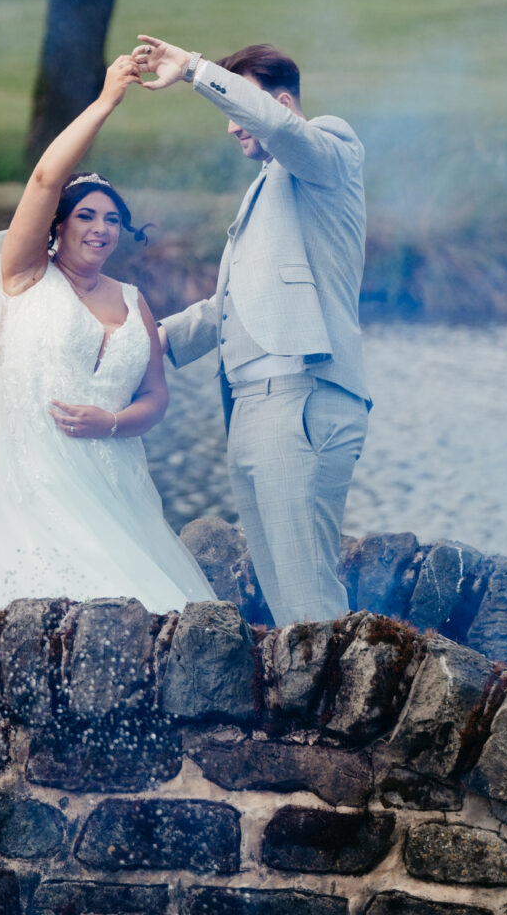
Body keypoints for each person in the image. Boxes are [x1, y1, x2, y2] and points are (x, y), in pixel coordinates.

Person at [0, 54, 214, 612]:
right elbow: (46, 178)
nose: (100, 229)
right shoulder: (26, 276)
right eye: (87, 216)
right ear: (57, 226)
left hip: (113, 474)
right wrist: (106, 101)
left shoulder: (134, 303)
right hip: (24, 469)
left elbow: (155, 398)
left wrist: (111, 422)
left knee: (150, 608)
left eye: (112, 219)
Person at [135, 36, 370, 626]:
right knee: (286, 606)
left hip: (301, 396)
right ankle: (316, 714)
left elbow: (279, 131)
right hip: (249, 408)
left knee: (309, 601)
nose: (233, 127)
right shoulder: (265, 187)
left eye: (242, 109)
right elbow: (228, 306)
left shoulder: (328, 148)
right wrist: (142, 341)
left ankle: (344, 713)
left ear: (284, 105)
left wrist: (193, 69)